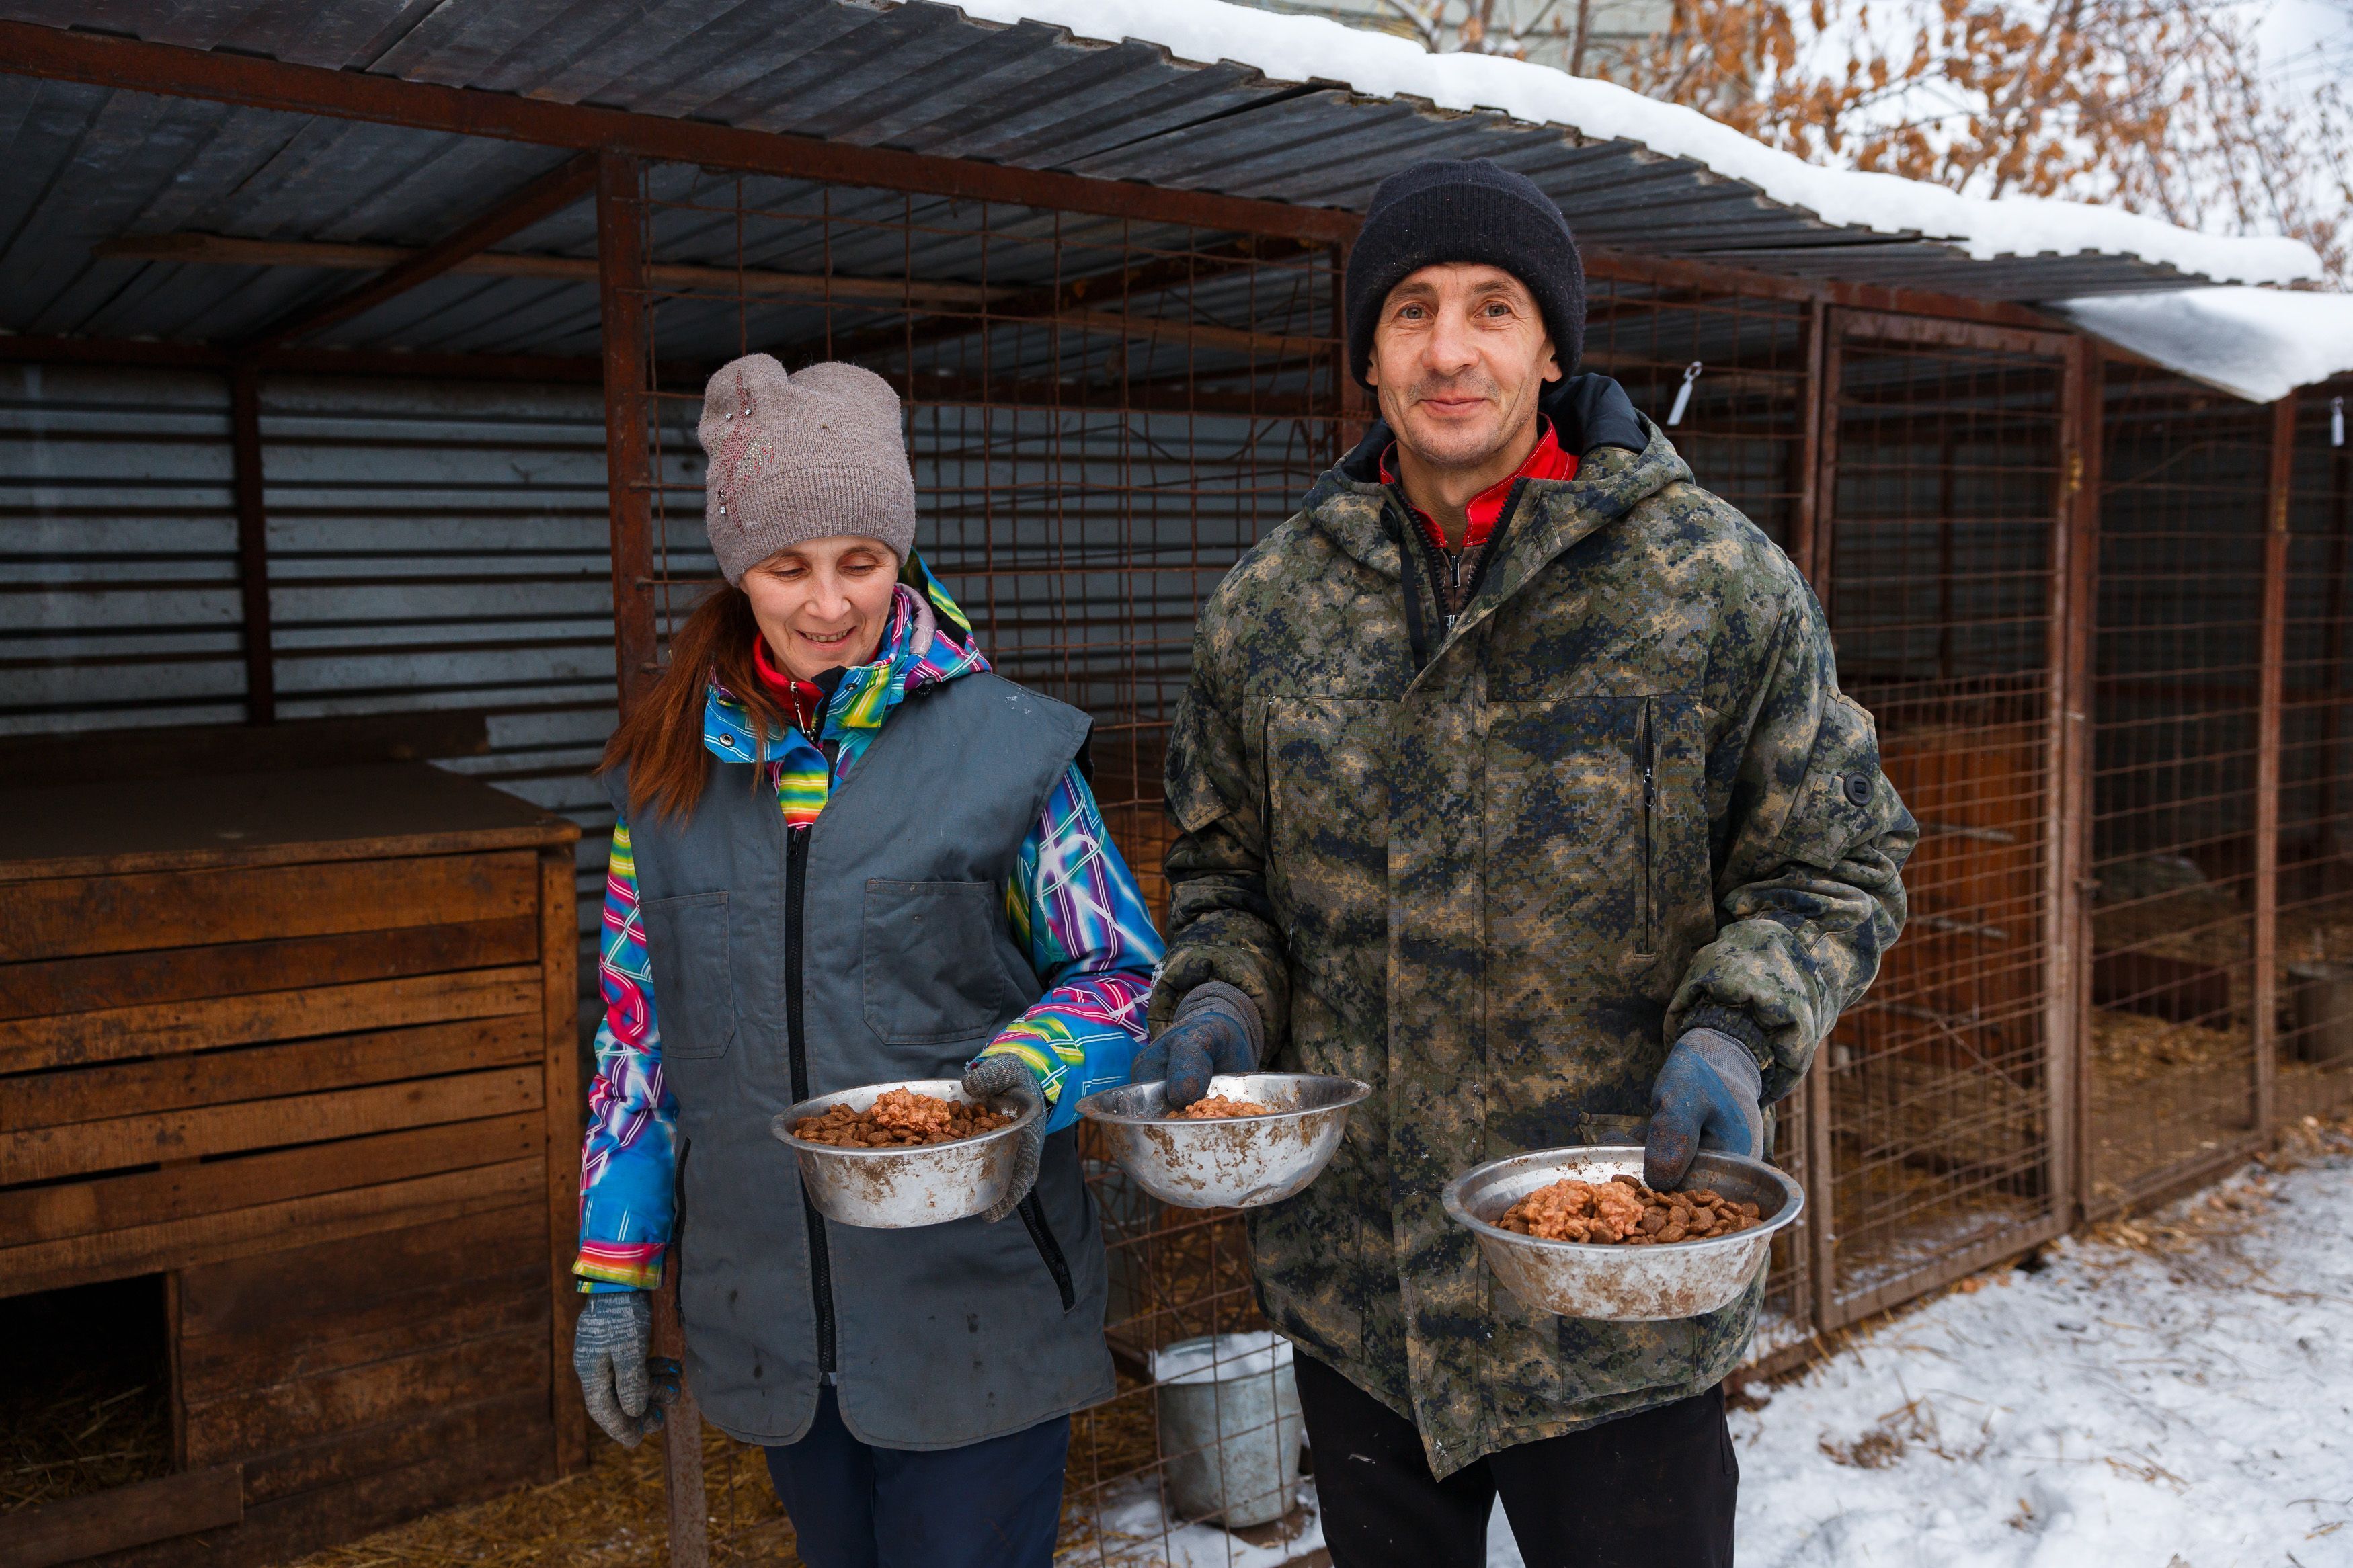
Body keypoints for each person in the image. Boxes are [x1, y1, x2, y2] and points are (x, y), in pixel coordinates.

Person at [1137, 159, 1916, 1567]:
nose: (1450, 349)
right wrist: (1221, 998)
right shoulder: (1271, 608)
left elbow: (1835, 860)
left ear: (1551, 348)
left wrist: (1736, 1032)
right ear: (1368, 356)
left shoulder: (1708, 584)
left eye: (1493, 308)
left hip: (1619, 1283)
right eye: (1412, 311)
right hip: (1363, 1294)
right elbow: (1223, 873)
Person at [569, 354, 1162, 1568]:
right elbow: (638, 1044)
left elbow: (1122, 970)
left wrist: (1031, 1070)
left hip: (977, 1307)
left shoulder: (1005, 749)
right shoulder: (665, 783)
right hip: (775, 1322)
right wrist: (616, 1267)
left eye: (864, 559)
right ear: (738, 567)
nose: (830, 603)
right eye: (788, 567)